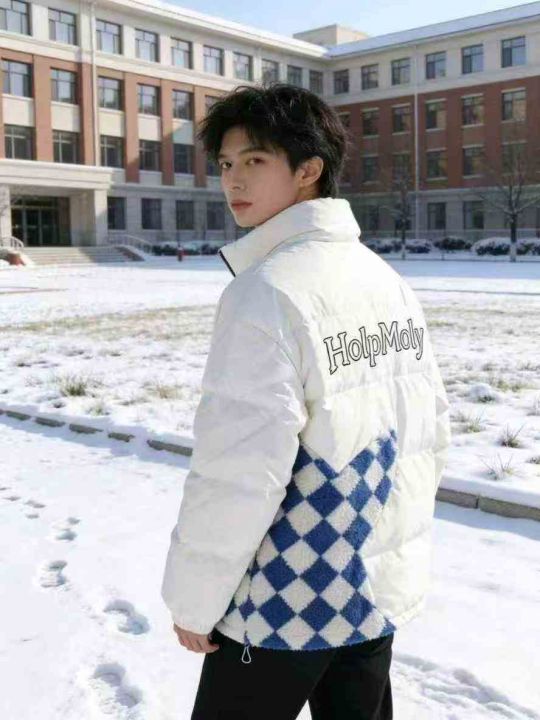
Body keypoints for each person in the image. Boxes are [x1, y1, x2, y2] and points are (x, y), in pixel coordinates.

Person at [161, 83, 451, 719]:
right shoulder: (385, 279)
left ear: (308, 169)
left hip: (283, 602)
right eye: (226, 164)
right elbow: (428, 437)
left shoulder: (266, 293)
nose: (234, 180)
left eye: (255, 160)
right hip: (369, 587)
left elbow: (240, 471)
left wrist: (194, 600)